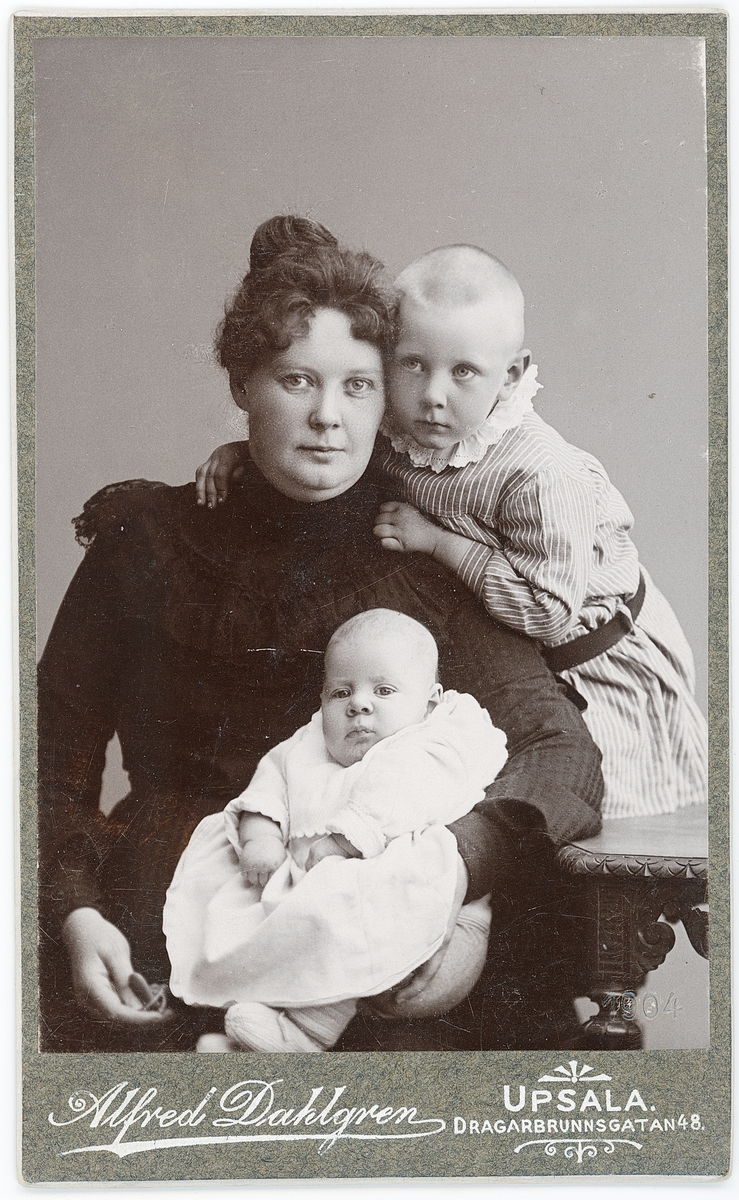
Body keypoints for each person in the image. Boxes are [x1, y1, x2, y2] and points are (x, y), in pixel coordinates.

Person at [38, 215, 603, 1054]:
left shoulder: (416, 551)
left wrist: (449, 869)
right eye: (296, 381)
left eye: (359, 386)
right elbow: (47, 753)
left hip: (361, 950)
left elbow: (558, 750)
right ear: (242, 383)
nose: (328, 418)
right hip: (144, 929)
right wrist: (74, 910)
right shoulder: (146, 543)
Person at [198, 244, 706, 822]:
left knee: (604, 820)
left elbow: (547, 612)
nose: (433, 395)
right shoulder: (410, 423)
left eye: (463, 372)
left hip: (593, 651)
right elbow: (324, 434)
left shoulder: (540, 473)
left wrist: (440, 542)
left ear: (511, 375)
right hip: (509, 638)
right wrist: (245, 452)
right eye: (413, 364)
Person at [163, 609, 508, 1053]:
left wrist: (343, 841)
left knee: (361, 901)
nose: (358, 704)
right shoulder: (307, 744)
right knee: (264, 918)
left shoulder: (434, 738)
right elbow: (270, 783)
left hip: (415, 896)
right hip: (312, 887)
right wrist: (261, 836)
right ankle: (265, 1019)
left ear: (430, 701)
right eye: (340, 692)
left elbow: (404, 793)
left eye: (383, 690)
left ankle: (308, 1031)